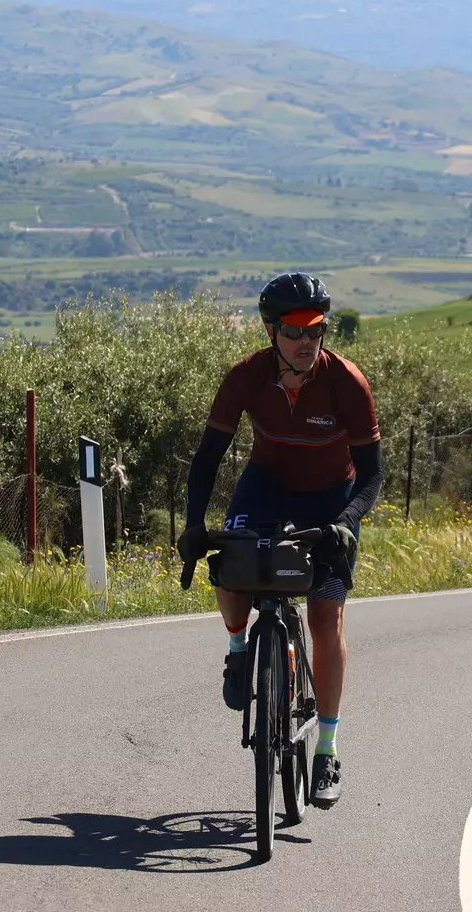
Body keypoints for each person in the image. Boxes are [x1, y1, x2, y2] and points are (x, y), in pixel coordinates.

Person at [177, 272, 382, 809]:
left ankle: (328, 750)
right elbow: (206, 461)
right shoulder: (246, 377)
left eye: (314, 329)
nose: (305, 341)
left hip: (331, 501)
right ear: (271, 332)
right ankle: (239, 649)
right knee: (231, 563)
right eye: (293, 331)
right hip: (265, 487)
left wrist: (348, 518)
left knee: (324, 618)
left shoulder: (347, 384)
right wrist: (194, 525)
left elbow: (373, 474)